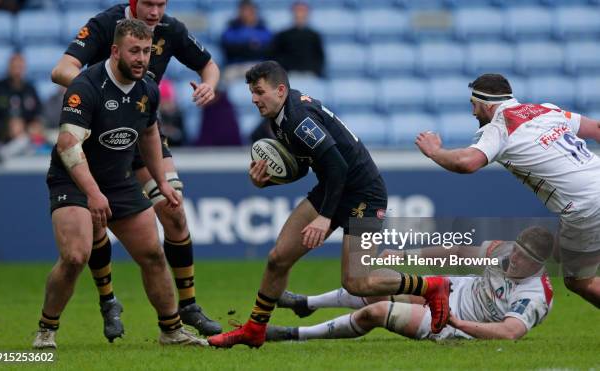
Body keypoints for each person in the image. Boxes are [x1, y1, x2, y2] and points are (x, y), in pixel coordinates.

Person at [207, 61, 451, 349]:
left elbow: (337, 165)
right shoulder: (279, 116)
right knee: (278, 258)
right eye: (252, 92)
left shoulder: (297, 118)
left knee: (357, 282)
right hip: (333, 187)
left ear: (281, 90)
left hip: (364, 194)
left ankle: (432, 287)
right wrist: (266, 181)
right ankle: (254, 329)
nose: (253, 99)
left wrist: (324, 218)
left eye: (259, 92)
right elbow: (302, 165)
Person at [50, 0, 222, 339]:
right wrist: (101, 90)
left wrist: (209, 85)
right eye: (149, 4)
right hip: (102, 133)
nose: (156, 11)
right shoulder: (105, 23)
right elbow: (61, 70)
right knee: (97, 216)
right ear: (133, 2)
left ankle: (187, 307)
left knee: (174, 212)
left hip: (144, 132)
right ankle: (108, 299)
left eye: (162, 4)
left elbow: (209, 66)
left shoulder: (171, 29)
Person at [416, 73, 600, 309]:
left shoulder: (499, 127)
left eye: (474, 105)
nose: (473, 113)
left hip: (586, 205)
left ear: (485, 104)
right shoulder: (545, 109)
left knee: (578, 282)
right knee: (558, 252)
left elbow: (466, 162)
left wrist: (434, 151)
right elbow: (596, 128)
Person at [268, 226, 554, 342]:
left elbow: (508, 332)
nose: (515, 259)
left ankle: (295, 334)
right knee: (377, 279)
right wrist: (406, 255)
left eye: (525, 258)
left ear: (539, 263)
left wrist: (456, 322)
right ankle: (307, 303)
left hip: (458, 322)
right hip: (450, 289)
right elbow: (456, 253)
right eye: (517, 249)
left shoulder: (535, 295)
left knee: (376, 312)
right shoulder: (502, 251)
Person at [0, 52, 43, 157]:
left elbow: (39, 114)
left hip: (27, 140)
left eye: (20, 67)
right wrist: (7, 129)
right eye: (15, 66)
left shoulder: (30, 89)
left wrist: (34, 125)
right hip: (1, 142)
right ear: (9, 67)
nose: (17, 70)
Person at [270, 1, 325, 77]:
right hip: (289, 75)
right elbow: (275, 56)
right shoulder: (283, 35)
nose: (300, 14)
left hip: (309, 75)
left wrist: (314, 72)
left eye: (303, 11)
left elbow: (319, 57)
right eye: (298, 10)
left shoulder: (314, 35)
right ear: (293, 12)